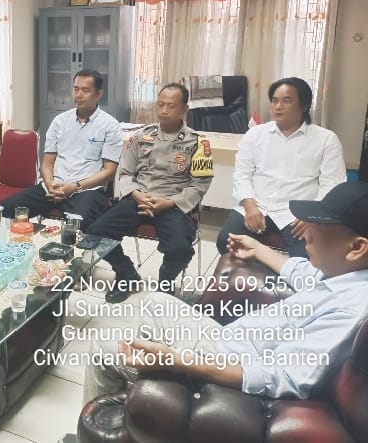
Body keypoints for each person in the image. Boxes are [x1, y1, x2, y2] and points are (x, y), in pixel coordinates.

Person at [82, 181, 368, 407]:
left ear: (356, 247)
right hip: (229, 343)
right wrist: (258, 249)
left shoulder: (350, 310)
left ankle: (154, 392)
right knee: (155, 301)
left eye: (319, 227)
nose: (306, 234)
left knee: (102, 348)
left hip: (229, 369)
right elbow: (300, 271)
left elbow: (279, 376)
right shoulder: (345, 275)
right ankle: (145, 400)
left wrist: (175, 360)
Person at [87, 83, 214, 303]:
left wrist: (169, 203)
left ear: (185, 109)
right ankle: (126, 273)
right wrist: (137, 195)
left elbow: (200, 185)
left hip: (173, 203)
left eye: (171, 106)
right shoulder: (141, 136)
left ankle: (166, 281)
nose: (163, 110)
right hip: (139, 198)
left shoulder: (198, 142)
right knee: (95, 234)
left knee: (180, 249)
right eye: (160, 104)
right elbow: (125, 173)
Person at [216, 77, 346, 258]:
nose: (278, 106)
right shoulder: (255, 134)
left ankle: (281, 272)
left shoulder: (326, 139)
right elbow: (242, 174)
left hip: (298, 214)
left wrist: (313, 216)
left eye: (287, 100)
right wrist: (250, 206)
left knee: (307, 256)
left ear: (304, 105)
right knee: (225, 241)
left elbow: (333, 183)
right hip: (258, 205)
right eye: (274, 101)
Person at [1, 69, 122, 231]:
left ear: (99, 94)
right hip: (54, 187)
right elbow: (47, 164)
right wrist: (50, 185)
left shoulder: (110, 125)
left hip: (86, 189)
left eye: (85, 90)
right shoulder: (60, 121)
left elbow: (109, 171)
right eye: (76, 89)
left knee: (78, 224)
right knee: (8, 208)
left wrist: (75, 186)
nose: (78, 95)